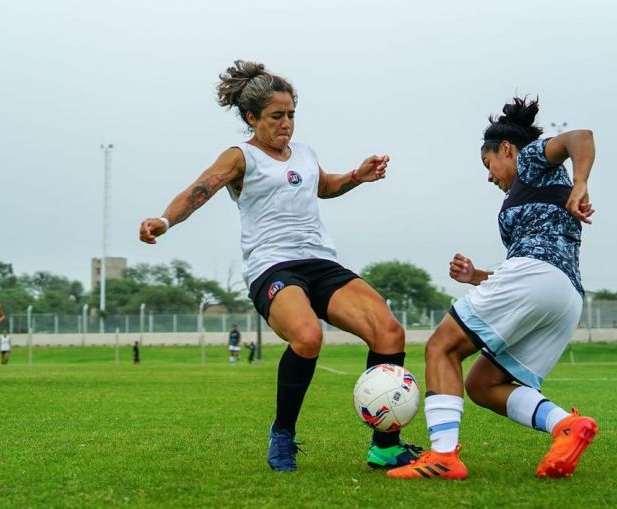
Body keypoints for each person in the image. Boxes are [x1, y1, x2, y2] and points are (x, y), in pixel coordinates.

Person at [139, 60, 417, 472]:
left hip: (321, 261)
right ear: (251, 117)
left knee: (389, 331)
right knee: (307, 337)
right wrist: (164, 220)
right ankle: (283, 434)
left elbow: (323, 186)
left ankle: (385, 446)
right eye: (276, 116)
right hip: (273, 267)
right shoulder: (241, 157)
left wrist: (356, 176)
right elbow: (201, 189)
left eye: (290, 114)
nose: (286, 123)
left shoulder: (304, 153)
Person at [388, 97, 598, 480]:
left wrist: (581, 182)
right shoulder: (529, 189)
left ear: (506, 149)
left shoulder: (532, 162)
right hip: (564, 295)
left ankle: (443, 457)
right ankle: (564, 427)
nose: (489, 175)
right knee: (483, 384)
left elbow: (580, 137)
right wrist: (477, 276)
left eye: (489, 164)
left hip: (537, 277)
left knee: (442, 347)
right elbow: (533, 264)